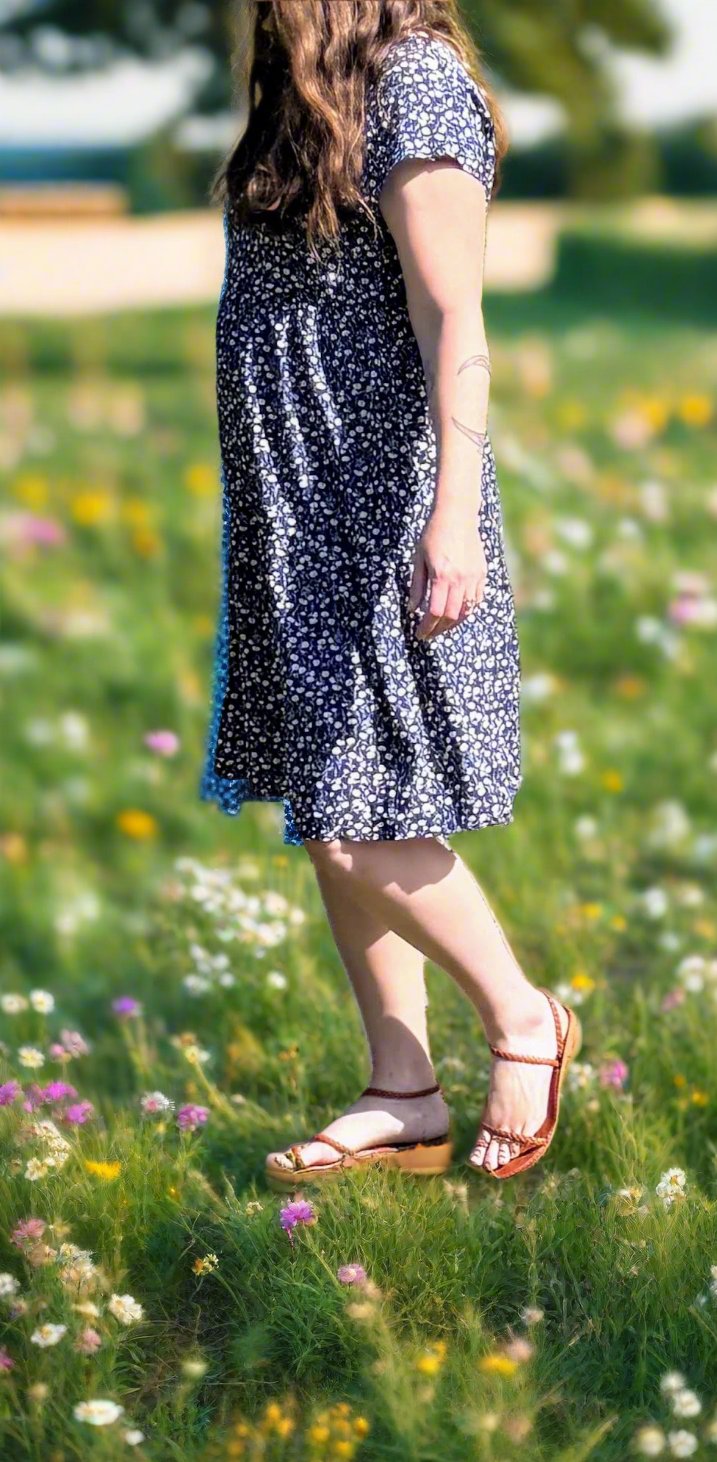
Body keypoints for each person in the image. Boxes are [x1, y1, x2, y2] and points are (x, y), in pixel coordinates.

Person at [201, 0, 581, 1186]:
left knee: (359, 813)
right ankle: (401, 1089)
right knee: (329, 809)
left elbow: (455, 313)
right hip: (296, 504)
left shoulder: (414, 80)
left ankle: (527, 1020)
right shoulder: (305, 88)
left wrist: (451, 510)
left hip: (377, 498)